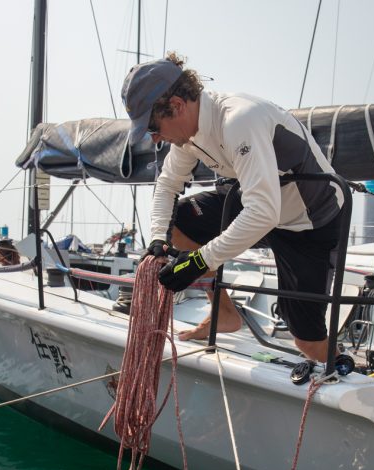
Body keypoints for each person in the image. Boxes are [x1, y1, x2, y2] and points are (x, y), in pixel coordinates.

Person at [122, 53, 345, 362]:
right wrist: (159, 239)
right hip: (264, 202)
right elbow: (167, 185)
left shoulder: (239, 119)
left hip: (309, 221)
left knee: (309, 343)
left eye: (152, 127)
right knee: (179, 223)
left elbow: (263, 212)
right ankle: (224, 313)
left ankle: (347, 367)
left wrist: (198, 262)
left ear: (176, 106)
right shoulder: (190, 136)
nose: (156, 138)